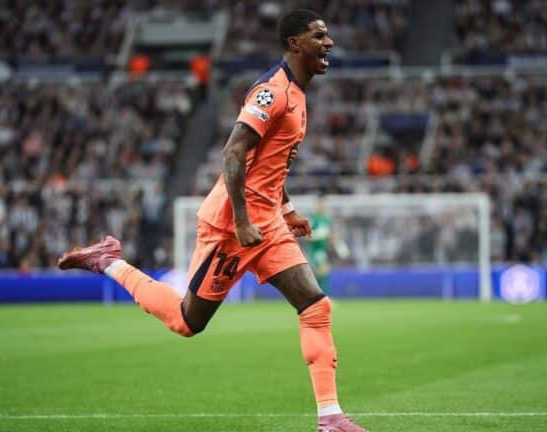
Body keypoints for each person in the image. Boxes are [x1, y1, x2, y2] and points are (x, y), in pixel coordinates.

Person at [57, 9, 368, 432]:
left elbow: (270, 164)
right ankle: (109, 261)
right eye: (319, 36)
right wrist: (241, 221)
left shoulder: (299, 94)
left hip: (267, 223)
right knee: (187, 322)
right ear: (295, 43)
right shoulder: (271, 93)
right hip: (232, 227)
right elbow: (233, 153)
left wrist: (287, 208)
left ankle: (329, 417)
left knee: (315, 305)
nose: (328, 42)